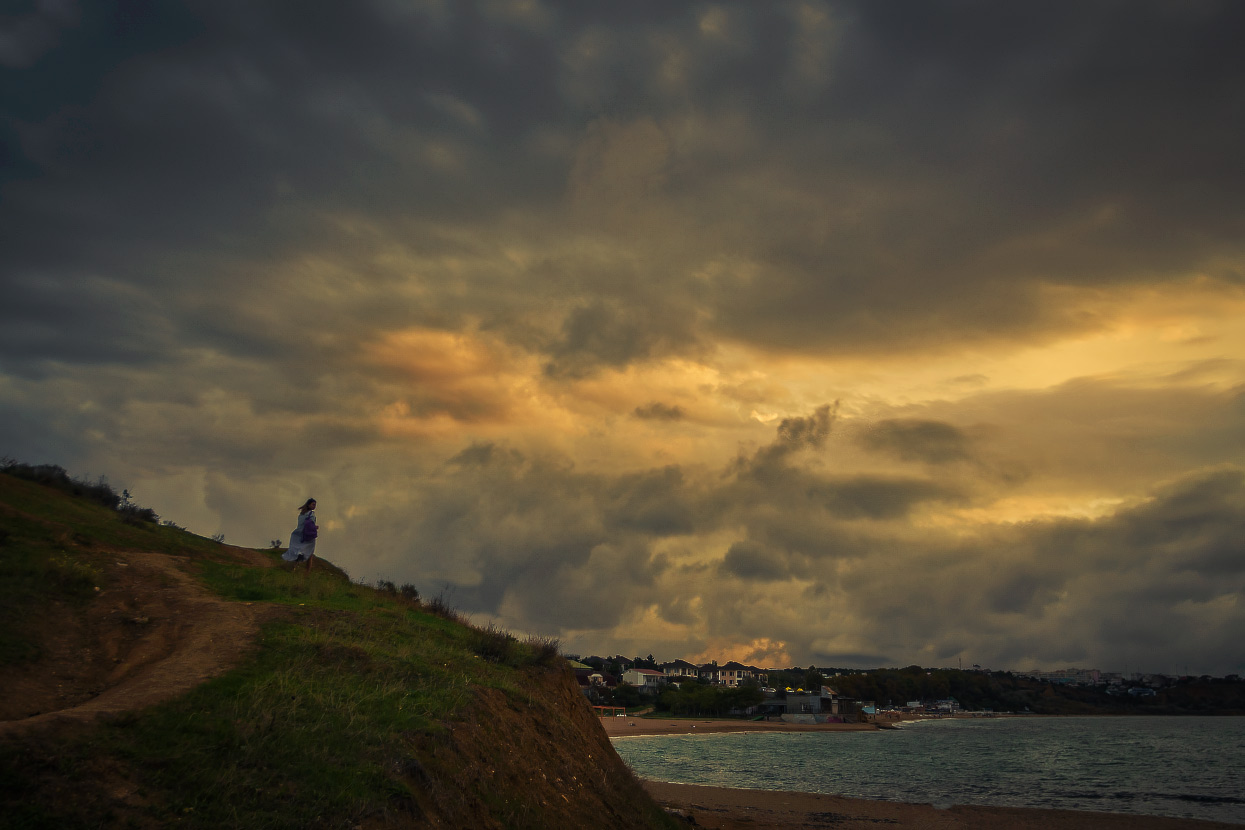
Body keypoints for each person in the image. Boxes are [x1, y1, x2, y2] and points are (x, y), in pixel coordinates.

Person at [281, 498, 318, 571]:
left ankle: (290, 567)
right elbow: (310, 525)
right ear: (309, 505)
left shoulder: (302, 514)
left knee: (297, 552)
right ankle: (307, 573)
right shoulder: (311, 514)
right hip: (308, 536)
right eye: (313, 504)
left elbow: (301, 524)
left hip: (298, 534)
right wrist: (315, 527)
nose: (314, 506)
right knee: (309, 554)